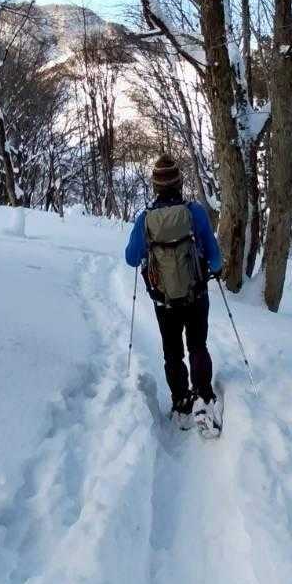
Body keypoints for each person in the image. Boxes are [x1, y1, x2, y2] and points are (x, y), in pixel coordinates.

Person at [124, 153, 223, 429]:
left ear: (155, 186)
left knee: (172, 352)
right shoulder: (195, 212)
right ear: (179, 183)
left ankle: (181, 401)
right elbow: (215, 258)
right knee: (197, 344)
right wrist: (213, 268)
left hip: (164, 301)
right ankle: (204, 394)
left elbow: (131, 258)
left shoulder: (145, 218)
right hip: (196, 294)